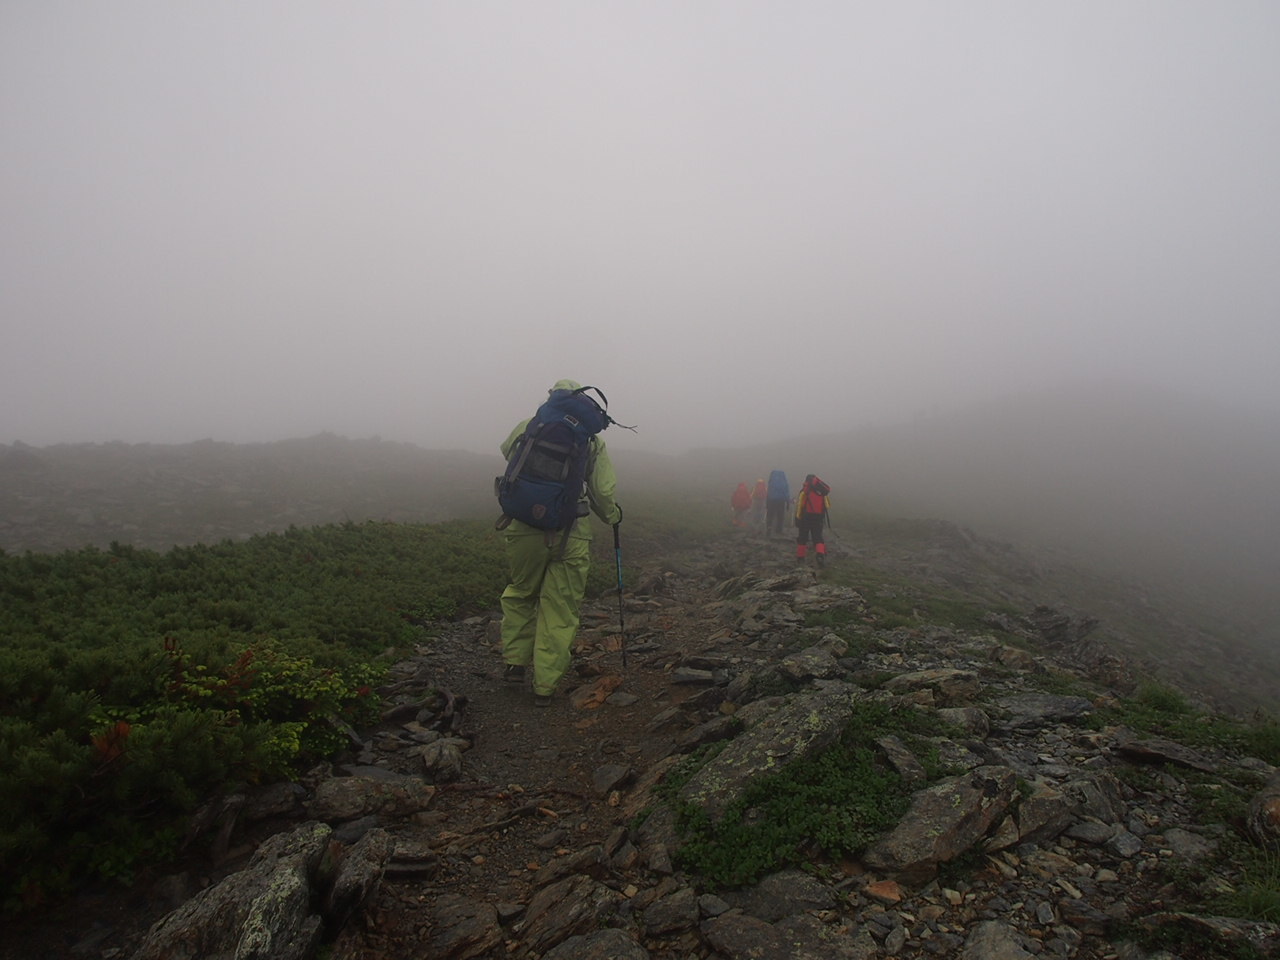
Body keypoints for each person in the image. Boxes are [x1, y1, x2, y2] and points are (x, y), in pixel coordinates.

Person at [498, 379, 622, 707]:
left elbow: (506, 450)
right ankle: (545, 686)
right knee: (560, 607)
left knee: (521, 593)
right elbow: (603, 492)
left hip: (524, 527)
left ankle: (514, 666)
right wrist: (612, 516)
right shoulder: (590, 440)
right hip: (571, 533)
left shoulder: (530, 426)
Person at [794, 473, 830, 567]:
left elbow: (800, 506)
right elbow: (827, 505)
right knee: (818, 537)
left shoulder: (805, 491)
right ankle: (820, 554)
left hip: (806, 517)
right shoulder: (822, 492)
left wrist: (798, 518)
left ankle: (800, 558)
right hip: (818, 517)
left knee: (802, 537)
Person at [765, 469, 790, 538]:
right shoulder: (784, 482)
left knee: (770, 515)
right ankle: (779, 530)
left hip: (771, 501)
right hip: (781, 501)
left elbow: (768, 493)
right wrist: (788, 502)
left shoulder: (771, 482)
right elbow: (786, 493)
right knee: (780, 516)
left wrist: (767, 503)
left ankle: (769, 528)